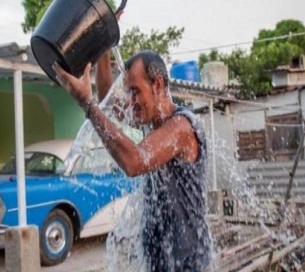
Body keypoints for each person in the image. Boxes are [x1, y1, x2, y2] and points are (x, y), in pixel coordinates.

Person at [53, 50, 211, 271]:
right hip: (159, 260)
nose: (131, 101)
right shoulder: (149, 120)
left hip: (187, 264)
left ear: (157, 84)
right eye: (128, 93)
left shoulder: (181, 127)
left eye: (135, 92)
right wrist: (103, 48)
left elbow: (135, 162)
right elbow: (107, 99)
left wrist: (88, 105)